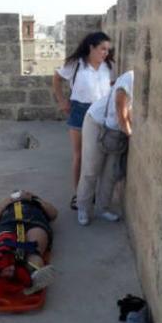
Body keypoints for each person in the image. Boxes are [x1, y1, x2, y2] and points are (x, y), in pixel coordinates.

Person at [52, 32, 114, 211]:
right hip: (80, 110)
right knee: (80, 155)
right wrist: (62, 100)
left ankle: (94, 193)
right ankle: (78, 194)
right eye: (102, 49)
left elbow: (110, 85)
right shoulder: (75, 64)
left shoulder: (108, 66)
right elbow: (56, 78)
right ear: (91, 47)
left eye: (107, 50)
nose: (105, 53)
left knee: (100, 154)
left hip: (102, 112)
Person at [77, 70, 134, 225]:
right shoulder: (131, 77)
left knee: (110, 172)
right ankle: (83, 208)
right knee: (91, 169)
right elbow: (119, 104)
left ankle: (103, 208)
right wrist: (130, 133)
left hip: (116, 130)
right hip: (97, 122)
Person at [0, 190, 58, 295]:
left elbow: (53, 214)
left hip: (34, 222)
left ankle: (34, 275)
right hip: (8, 224)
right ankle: (2, 267)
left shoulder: (36, 203)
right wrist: (9, 200)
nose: (21, 193)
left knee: (33, 248)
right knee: (4, 246)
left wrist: (35, 199)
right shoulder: (7, 204)